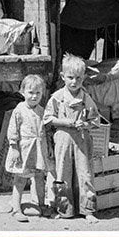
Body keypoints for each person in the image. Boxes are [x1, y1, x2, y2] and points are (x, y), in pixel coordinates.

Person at [43, 54, 100, 223]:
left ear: (84, 78)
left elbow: (95, 120)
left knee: (85, 174)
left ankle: (87, 210)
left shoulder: (86, 98)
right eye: (70, 78)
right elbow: (48, 119)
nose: (74, 82)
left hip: (82, 140)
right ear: (62, 77)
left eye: (78, 78)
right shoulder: (57, 97)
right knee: (63, 173)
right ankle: (65, 209)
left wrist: (85, 124)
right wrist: (64, 122)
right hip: (63, 140)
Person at [5, 74, 49, 221]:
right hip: (24, 150)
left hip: (38, 150)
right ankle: (16, 209)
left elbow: (45, 130)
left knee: (39, 178)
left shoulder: (42, 111)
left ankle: (42, 204)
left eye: (38, 93)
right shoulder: (19, 110)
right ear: (22, 92)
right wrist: (14, 148)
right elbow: (13, 130)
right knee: (20, 179)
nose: (34, 96)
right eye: (30, 92)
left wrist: (48, 149)